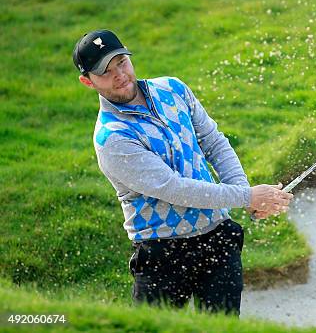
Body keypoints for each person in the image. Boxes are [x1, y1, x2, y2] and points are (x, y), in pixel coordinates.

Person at [72, 29, 293, 315]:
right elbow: (175, 189)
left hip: (217, 240)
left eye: (122, 62)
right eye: (106, 72)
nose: (120, 75)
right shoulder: (111, 138)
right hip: (161, 256)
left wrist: (245, 195)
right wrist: (246, 197)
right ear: (87, 81)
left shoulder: (172, 89)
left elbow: (213, 142)